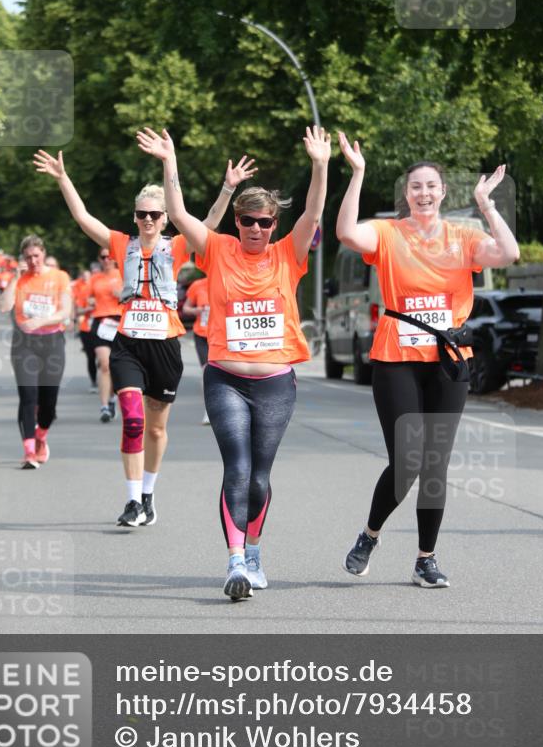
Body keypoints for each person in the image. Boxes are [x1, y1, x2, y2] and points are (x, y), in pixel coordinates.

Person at [138, 125, 330, 601]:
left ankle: (256, 550)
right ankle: (235, 561)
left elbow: (313, 211)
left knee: (261, 477)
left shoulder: (290, 253)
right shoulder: (218, 250)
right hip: (225, 379)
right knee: (238, 468)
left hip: (276, 382)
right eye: (249, 222)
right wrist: (170, 161)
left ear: (274, 226)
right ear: (237, 223)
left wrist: (321, 165)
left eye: (266, 222)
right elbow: (179, 214)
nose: (257, 230)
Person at [32, 147, 256, 527]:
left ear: (166, 218)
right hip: (128, 343)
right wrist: (62, 178)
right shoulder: (123, 244)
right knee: (133, 419)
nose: (148, 219)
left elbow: (211, 222)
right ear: (134, 218)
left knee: (155, 427)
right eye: (142, 214)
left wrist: (227, 189)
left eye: (155, 214)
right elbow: (83, 217)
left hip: (165, 345)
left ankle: (149, 495)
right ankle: (132, 500)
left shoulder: (179, 245)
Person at [336, 133, 520, 587]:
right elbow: (344, 232)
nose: (423, 193)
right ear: (406, 193)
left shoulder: (464, 235)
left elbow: (510, 254)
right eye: (415, 186)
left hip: (449, 358)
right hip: (396, 356)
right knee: (408, 460)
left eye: (431, 186)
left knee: (434, 465)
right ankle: (369, 534)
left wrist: (486, 204)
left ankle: (425, 558)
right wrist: (357, 174)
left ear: (442, 192)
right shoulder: (387, 233)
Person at [0, 234, 72, 469]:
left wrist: (41, 321)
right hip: (24, 343)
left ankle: (41, 436)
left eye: (36, 255)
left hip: (52, 341)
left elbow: (64, 312)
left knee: (48, 402)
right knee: (28, 396)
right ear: (22, 258)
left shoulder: (59, 277)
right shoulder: (20, 280)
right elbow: (3, 307)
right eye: (28, 257)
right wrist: (14, 278)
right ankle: (29, 452)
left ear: (43, 253)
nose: (33, 261)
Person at [86, 250, 123, 422]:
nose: (107, 259)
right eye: (103, 257)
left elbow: (138, 296)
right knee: (105, 364)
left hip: (121, 321)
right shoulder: (95, 278)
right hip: (101, 322)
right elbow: (85, 299)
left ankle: (113, 398)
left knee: (118, 366)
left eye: (110, 256)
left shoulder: (124, 273)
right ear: (98, 260)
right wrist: (89, 302)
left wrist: (123, 295)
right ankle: (104, 406)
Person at [182, 272, 211, 424]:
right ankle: (208, 410)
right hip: (202, 334)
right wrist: (195, 311)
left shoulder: (229, 280)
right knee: (207, 371)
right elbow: (186, 307)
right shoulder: (198, 285)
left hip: (223, 335)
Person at [72, 269, 97, 391]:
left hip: (103, 328)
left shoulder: (105, 294)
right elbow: (77, 311)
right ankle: (94, 382)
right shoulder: (83, 291)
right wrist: (89, 308)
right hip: (86, 328)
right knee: (91, 357)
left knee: (104, 358)